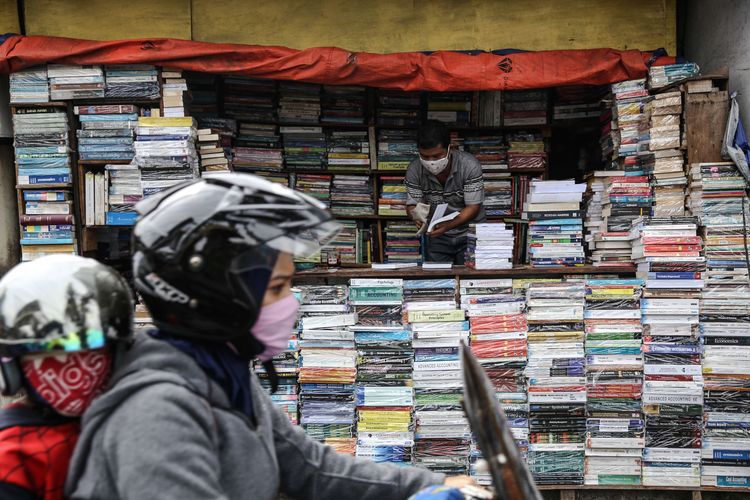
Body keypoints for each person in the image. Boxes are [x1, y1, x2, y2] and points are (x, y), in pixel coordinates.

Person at [66, 174, 475, 499]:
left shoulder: (223, 374)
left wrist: (429, 483)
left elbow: (312, 469)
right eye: (277, 287)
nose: (290, 303)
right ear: (217, 297)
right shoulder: (156, 413)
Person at [0, 255, 133, 500]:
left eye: (91, 350)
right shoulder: (12, 454)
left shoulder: (138, 419)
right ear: (12, 363)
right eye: (47, 353)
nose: (72, 368)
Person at [405, 120, 485, 265]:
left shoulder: (469, 165)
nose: (431, 162)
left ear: (450, 148)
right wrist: (416, 216)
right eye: (425, 156)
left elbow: (473, 207)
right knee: (438, 280)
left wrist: (448, 226)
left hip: (471, 233)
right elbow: (412, 205)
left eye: (437, 156)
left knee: (471, 279)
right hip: (437, 237)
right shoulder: (414, 170)